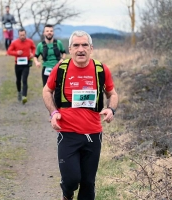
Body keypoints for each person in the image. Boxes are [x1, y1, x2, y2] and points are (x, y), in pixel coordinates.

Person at [42, 31, 119, 200]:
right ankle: (67, 194)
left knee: (88, 183)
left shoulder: (101, 70)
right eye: (76, 45)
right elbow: (47, 90)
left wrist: (110, 109)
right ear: (70, 49)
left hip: (93, 134)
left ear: (91, 48)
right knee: (71, 180)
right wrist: (54, 112)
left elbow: (112, 94)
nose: (80, 49)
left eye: (84, 45)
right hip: (68, 133)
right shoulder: (61, 68)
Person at [7, 28, 36, 104]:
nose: (22, 36)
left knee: (24, 79)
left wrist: (32, 54)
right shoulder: (14, 42)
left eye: (23, 35)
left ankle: (24, 96)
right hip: (18, 64)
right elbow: (9, 51)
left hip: (26, 63)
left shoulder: (30, 41)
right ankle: (19, 92)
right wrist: (16, 52)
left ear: (25, 34)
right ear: (18, 35)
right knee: (18, 80)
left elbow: (34, 48)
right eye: (21, 35)